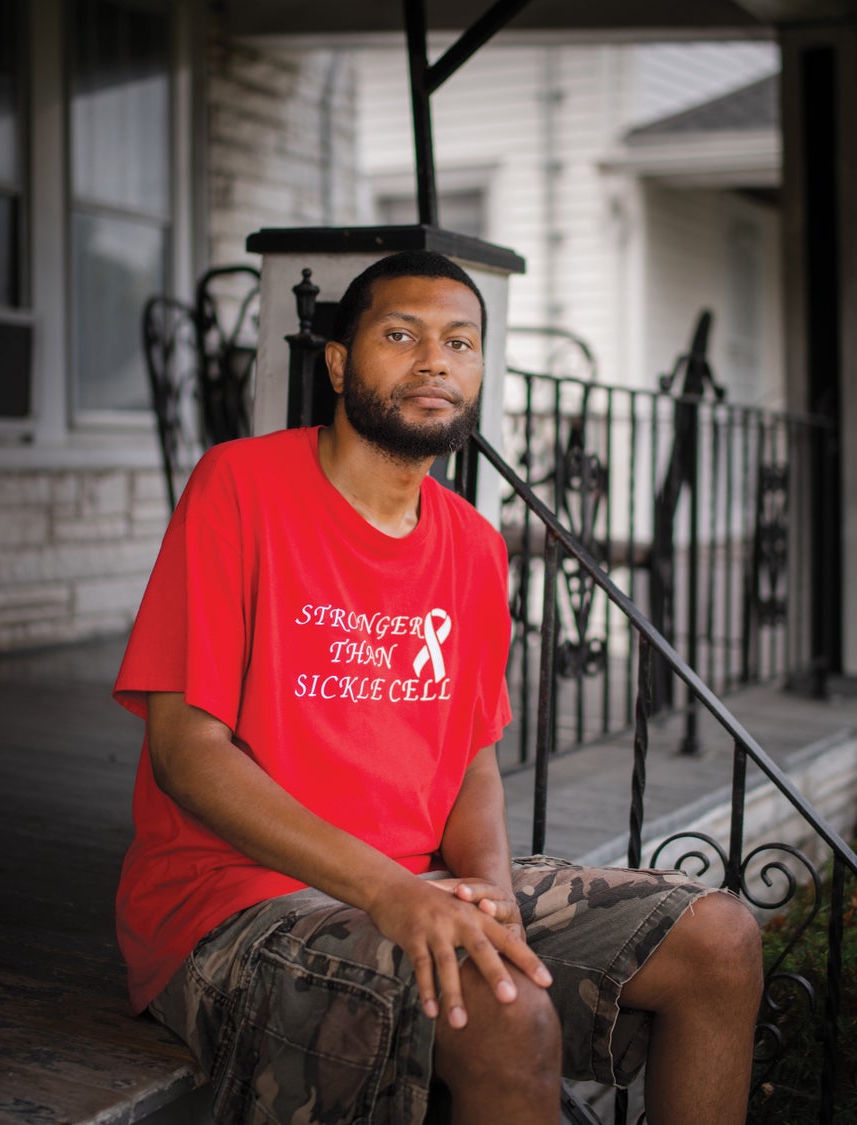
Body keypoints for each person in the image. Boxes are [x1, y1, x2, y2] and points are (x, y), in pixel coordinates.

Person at [114, 250, 763, 1125]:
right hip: (239, 898)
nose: (435, 361)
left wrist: (490, 892)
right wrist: (390, 889)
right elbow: (187, 754)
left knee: (719, 938)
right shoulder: (241, 486)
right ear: (339, 361)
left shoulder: (473, 542)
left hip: (424, 879)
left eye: (461, 342)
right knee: (505, 1019)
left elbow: (474, 767)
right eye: (400, 334)